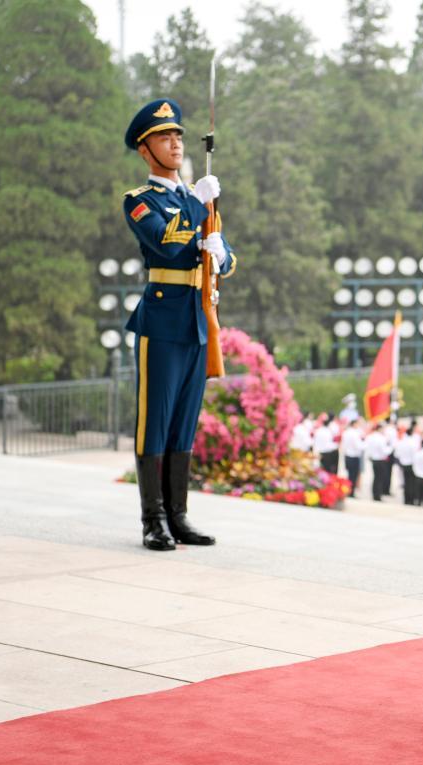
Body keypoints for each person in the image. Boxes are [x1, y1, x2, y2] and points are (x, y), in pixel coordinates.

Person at [122, 99, 235, 551]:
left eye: (177, 136)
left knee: (184, 423)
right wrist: (195, 202)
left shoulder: (194, 197)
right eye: (164, 137)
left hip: (197, 320)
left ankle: (178, 515)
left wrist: (220, 254)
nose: (175, 144)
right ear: (144, 150)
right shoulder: (140, 201)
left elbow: (225, 257)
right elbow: (166, 243)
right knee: (155, 422)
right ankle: (153, 520)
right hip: (162, 323)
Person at [341, 418, 364, 497]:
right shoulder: (354, 433)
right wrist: (365, 444)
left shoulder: (346, 432)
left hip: (347, 455)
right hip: (354, 456)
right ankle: (351, 492)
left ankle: (349, 491)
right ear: (354, 424)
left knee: (350, 475)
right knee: (353, 476)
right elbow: (358, 446)